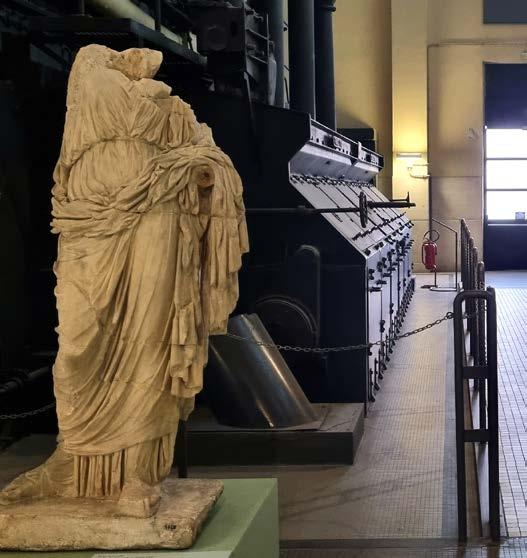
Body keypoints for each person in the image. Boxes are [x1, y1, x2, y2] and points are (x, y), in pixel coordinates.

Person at [0, 45, 248, 517]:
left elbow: (212, 159)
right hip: (85, 224)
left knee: (148, 342)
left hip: (156, 217)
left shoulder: (172, 109)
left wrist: (199, 172)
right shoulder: (85, 92)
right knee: (76, 349)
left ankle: (138, 472)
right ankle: (71, 460)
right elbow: (66, 167)